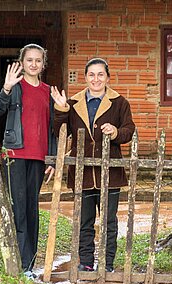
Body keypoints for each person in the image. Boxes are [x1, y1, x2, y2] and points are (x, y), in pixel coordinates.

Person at [51, 58, 135, 272]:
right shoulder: (73, 103)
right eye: (91, 74)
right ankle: (86, 262)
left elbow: (129, 130)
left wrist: (115, 132)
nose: (96, 79)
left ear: (107, 77)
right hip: (83, 172)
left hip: (110, 173)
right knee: (84, 221)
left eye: (100, 74)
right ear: (85, 77)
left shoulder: (119, 102)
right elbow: (60, 132)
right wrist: (61, 110)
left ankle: (106, 264)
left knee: (109, 222)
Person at [0, 43, 56, 279]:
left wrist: (51, 159)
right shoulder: (15, 87)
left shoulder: (48, 91)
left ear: (43, 64)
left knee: (32, 208)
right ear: (22, 62)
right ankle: (21, 264)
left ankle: (28, 262)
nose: (33, 64)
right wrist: (6, 89)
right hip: (15, 156)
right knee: (18, 208)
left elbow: (52, 129)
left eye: (38, 60)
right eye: (29, 59)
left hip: (38, 158)